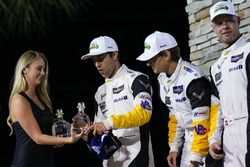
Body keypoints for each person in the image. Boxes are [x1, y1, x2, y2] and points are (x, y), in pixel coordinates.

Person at [136, 31, 211, 167]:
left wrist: (196, 158)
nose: (148, 63)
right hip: (190, 140)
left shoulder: (193, 79)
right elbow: (175, 116)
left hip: (208, 141)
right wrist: (174, 147)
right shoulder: (162, 80)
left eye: (152, 58)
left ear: (167, 55)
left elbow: (203, 123)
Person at [80, 36, 155, 167]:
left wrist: (109, 123)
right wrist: (87, 134)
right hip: (111, 161)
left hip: (136, 156)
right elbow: (101, 130)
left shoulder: (137, 79)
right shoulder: (100, 92)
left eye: (101, 59)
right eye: (94, 61)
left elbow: (144, 113)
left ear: (114, 55)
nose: (97, 65)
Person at [6, 50, 84, 167]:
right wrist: (69, 140)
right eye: (39, 68)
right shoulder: (19, 100)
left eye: (44, 69)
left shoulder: (43, 100)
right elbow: (38, 138)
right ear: (25, 69)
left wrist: (71, 129)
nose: (43, 73)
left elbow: (49, 135)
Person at [209, 1, 250, 166]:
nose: (224, 26)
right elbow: (217, 106)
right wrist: (214, 138)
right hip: (228, 138)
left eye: (229, 21)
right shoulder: (216, 66)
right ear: (214, 29)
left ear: (238, 21)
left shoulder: (248, 51)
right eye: (219, 23)